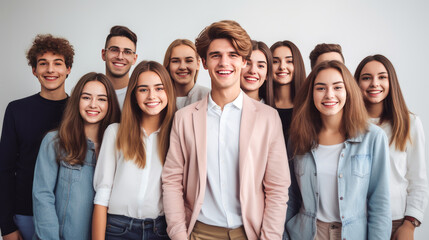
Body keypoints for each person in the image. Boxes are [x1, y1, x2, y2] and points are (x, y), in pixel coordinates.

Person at [162, 20, 290, 240]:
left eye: (232, 55)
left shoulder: (268, 118)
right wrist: (179, 235)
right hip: (198, 232)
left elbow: (277, 189)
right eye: (215, 55)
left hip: (249, 233)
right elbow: (172, 181)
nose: (224, 63)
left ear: (242, 61)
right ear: (204, 62)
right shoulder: (184, 118)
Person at [285, 60, 391, 240]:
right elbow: (291, 197)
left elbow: (380, 203)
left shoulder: (373, 137)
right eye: (320, 88)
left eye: (337, 87)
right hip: (306, 234)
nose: (329, 95)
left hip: (352, 234)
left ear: (348, 91)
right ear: (311, 94)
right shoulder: (297, 137)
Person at [0, 34, 74, 240]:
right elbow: (4, 171)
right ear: (34, 70)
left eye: (57, 63)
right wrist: (6, 226)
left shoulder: (80, 110)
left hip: (70, 213)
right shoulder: (17, 110)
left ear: (68, 69)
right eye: (43, 63)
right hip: (25, 214)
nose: (50, 70)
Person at [92, 61, 176, 240]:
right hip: (118, 228)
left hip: (160, 230)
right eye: (143, 89)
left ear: (169, 91)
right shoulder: (115, 132)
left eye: (159, 88)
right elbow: (102, 194)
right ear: (134, 95)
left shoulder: (176, 136)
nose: (152, 96)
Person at [32, 73, 120, 239]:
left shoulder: (118, 147)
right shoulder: (55, 141)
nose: (93, 105)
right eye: (86, 97)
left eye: (102, 99)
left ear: (110, 104)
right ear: (77, 101)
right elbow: (42, 197)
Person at [354, 54, 428, 240]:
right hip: (356, 221)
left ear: (391, 82)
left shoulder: (409, 123)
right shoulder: (349, 125)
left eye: (382, 77)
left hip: (396, 221)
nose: (374, 83)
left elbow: (418, 180)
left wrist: (410, 224)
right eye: (366, 78)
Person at [270, 40, 306, 145]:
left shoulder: (308, 105)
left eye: (289, 61)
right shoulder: (261, 104)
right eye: (275, 61)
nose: (282, 66)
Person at [163, 39, 210, 109]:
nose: (182, 67)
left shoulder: (210, 97)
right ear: (168, 65)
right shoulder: (159, 98)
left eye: (188, 61)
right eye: (175, 61)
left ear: (198, 64)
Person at [102, 25, 138, 109]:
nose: (120, 57)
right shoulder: (85, 92)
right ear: (103, 54)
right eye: (114, 50)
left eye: (127, 52)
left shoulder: (139, 97)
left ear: (134, 59)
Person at [240, 40, 274, 106]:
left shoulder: (272, 112)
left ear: (267, 74)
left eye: (261, 66)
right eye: (247, 63)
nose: (252, 71)